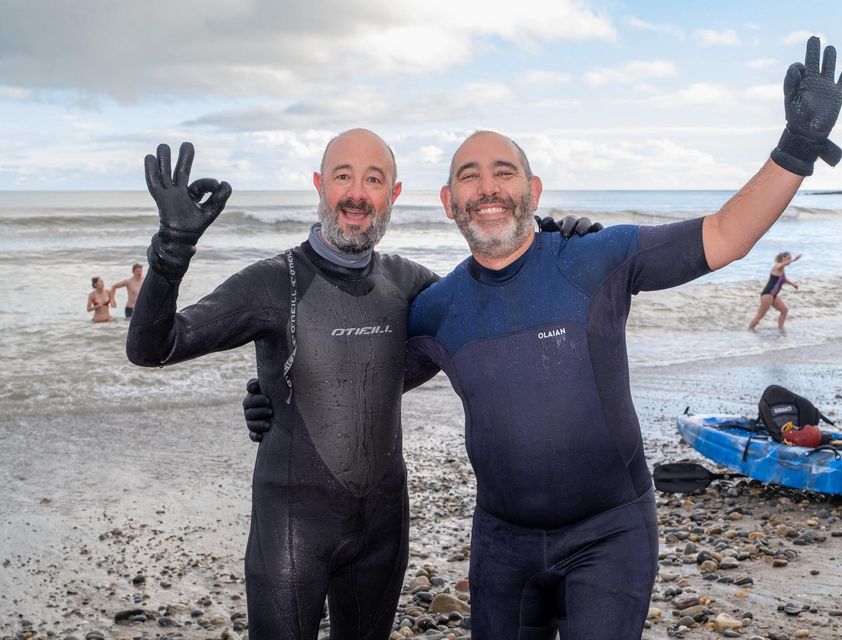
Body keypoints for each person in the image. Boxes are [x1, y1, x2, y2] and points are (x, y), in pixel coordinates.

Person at [247, 36, 842, 640]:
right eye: (469, 177)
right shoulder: (436, 307)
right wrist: (276, 389)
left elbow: (725, 234)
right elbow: (359, 368)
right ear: (448, 202)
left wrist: (795, 149)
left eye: (503, 172)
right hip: (501, 545)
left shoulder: (598, 258)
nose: (487, 188)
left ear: (533, 192)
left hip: (609, 533)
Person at [126, 129, 593, 640]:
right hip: (291, 529)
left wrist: (546, 247)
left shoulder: (410, 283)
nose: (356, 193)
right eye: (342, 176)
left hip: (382, 527)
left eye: (374, 179)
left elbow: (491, 319)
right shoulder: (269, 282)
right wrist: (173, 249)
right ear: (319, 186)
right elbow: (154, 347)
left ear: (393, 194)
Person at [747, 251, 800, 334]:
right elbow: (781, 265)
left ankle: (781, 329)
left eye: (790, 258)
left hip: (773, 295)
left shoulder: (782, 270)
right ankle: (749, 330)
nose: (789, 260)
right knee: (760, 315)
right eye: (788, 258)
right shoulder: (777, 266)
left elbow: (784, 279)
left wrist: (793, 285)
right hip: (767, 294)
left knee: (784, 310)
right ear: (783, 258)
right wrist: (794, 260)